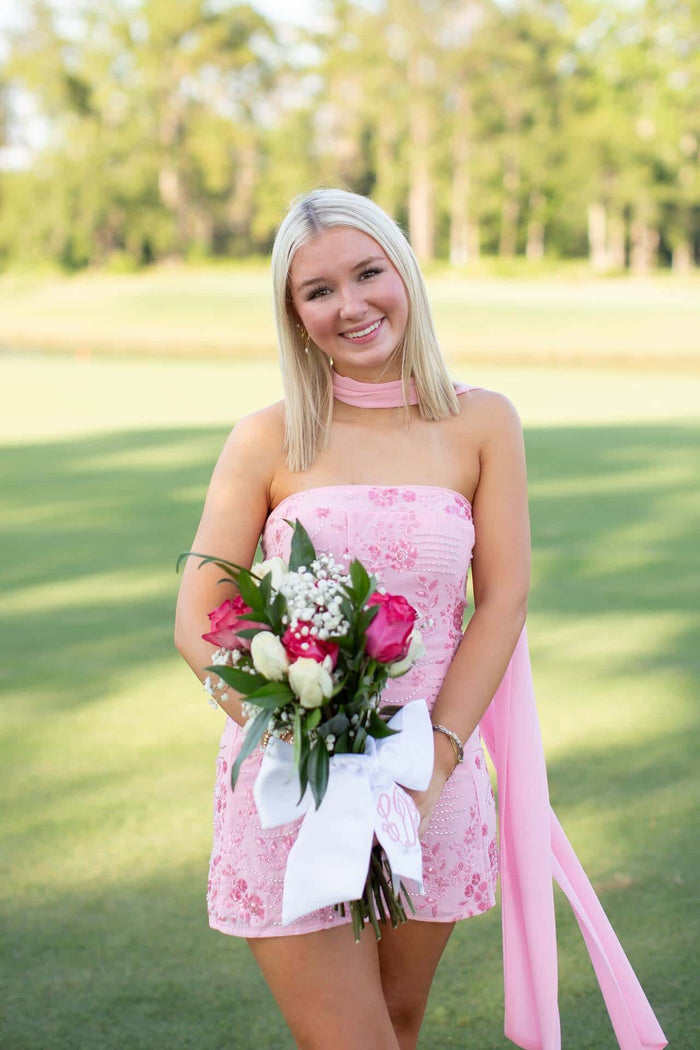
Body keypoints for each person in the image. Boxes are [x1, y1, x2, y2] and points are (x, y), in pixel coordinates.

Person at [174, 189, 667, 1050]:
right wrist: (298, 733)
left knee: (398, 1028)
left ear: (405, 271)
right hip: (297, 790)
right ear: (294, 315)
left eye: (369, 273)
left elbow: (503, 597)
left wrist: (434, 764)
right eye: (318, 291)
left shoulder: (483, 421)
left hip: (430, 780)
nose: (352, 305)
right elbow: (200, 618)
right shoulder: (266, 438)